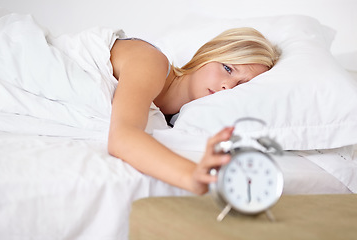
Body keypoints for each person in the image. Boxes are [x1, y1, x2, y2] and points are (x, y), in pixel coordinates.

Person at [108, 27, 280, 195]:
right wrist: (192, 176)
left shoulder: (174, 121)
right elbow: (121, 138)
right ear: (208, 54)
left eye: (241, 86)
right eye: (228, 69)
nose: (227, 87)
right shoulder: (151, 61)